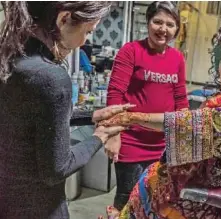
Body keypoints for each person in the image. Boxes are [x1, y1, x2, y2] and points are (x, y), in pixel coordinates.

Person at [99, 23, 221, 219]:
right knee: (153, 176)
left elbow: (196, 126)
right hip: (216, 177)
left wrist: (133, 117)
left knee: (158, 187)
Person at [0, 2, 129, 219]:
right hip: (38, 208)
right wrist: (100, 136)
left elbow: (32, 120)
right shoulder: (51, 77)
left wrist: (91, 116)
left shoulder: (10, 56)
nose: (84, 42)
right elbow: (57, 169)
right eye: (87, 31)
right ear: (64, 19)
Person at [105, 1, 189, 211]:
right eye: (158, 22)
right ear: (148, 22)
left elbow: (180, 99)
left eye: (170, 24)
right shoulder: (131, 51)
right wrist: (113, 135)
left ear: (176, 29)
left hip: (163, 145)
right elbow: (115, 94)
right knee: (127, 200)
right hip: (131, 142)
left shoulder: (177, 58)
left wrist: (185, 137)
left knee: (156, 201)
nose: (163, 29)